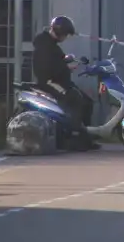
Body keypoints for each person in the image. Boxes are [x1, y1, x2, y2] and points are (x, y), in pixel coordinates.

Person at [32, 15, 97, 150]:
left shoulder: (52, 45)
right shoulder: (44, 45)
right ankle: (72, 137)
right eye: (65, 34)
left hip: (61, 80)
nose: (66, 37)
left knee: (87, 102)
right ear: (59, 32)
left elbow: (58, 61)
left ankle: (85, 138)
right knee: (74, 98)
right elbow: (46, 68)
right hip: (49, 82)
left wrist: (66, 64)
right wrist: (65, 67)